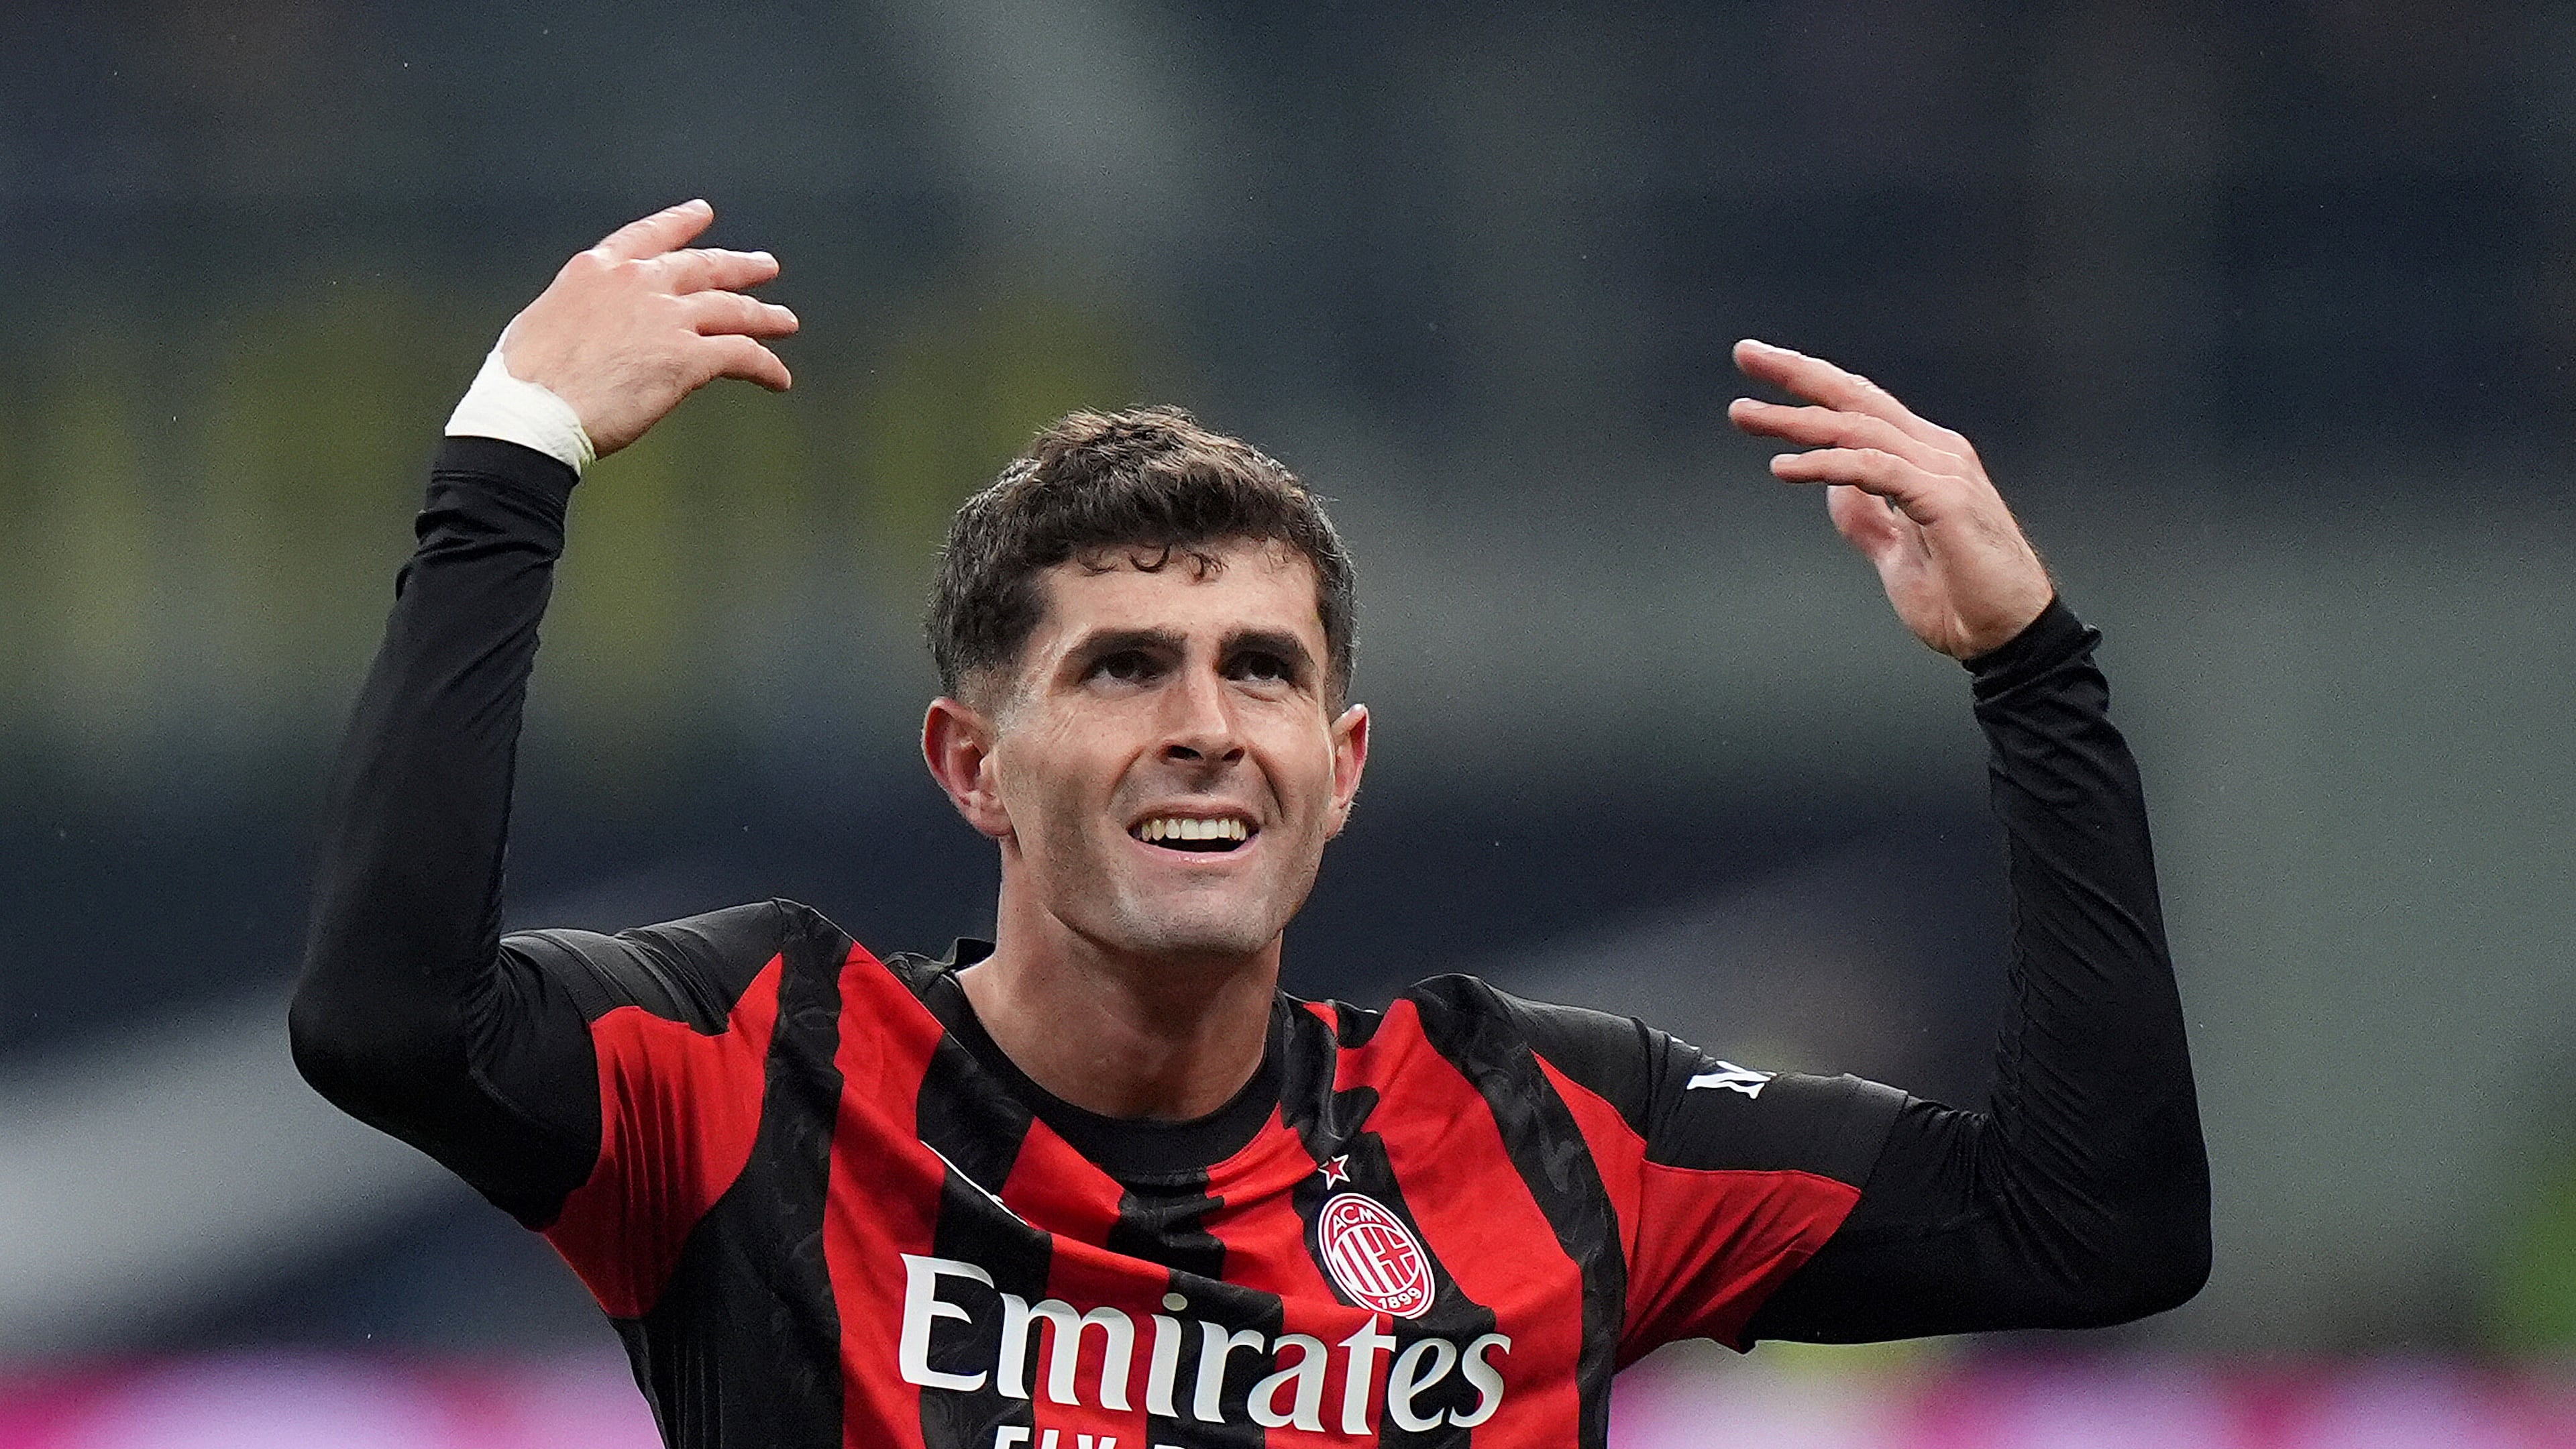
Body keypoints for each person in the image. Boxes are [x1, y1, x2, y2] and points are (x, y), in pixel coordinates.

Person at [291, 201, 2209, 1449]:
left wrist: (2033, 672)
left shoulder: (1548, 1138)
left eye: (1263, 672)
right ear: (972, 768)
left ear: (1344, 764)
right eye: (1125, 668)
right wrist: (510, 457)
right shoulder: (761, 1075)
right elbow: (391, 1022)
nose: (1209, 729)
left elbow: (2090, 1227)